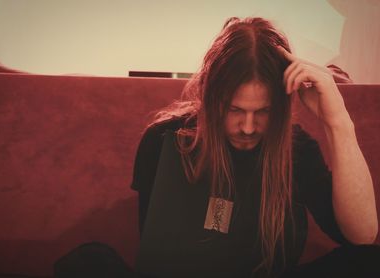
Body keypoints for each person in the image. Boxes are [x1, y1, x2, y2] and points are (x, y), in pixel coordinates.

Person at [54, 17, 379, 278]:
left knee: (370, 261)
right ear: (211, 98)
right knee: (87, 261)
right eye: (235, 110)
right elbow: (156, 249)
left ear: (280, 107)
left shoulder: (296, 150)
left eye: (263, 112)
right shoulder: (165, 139)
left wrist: (339, 123)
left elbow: (362, 238)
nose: (249, 127)